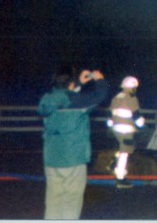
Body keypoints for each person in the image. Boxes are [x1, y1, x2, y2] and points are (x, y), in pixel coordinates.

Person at [37, 66, 109, 219]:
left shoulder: (47, 100)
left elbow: (65, 98)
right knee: (71, 200)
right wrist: (100, 80)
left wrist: (77, 84)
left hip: (51, 159)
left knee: (53, 201)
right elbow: (100, 95)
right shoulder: (78, 101)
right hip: (73, 159)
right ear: (70, 82)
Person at [107, 76, 145, 188]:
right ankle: (120, 178)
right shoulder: (131, 98)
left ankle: (114, 163)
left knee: (123, 148)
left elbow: (110, 114)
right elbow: (136, 114)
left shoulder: (116, 97)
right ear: (133, 87)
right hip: (126, 129)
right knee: (125, 152)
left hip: (116, 128)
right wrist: (141, 123)